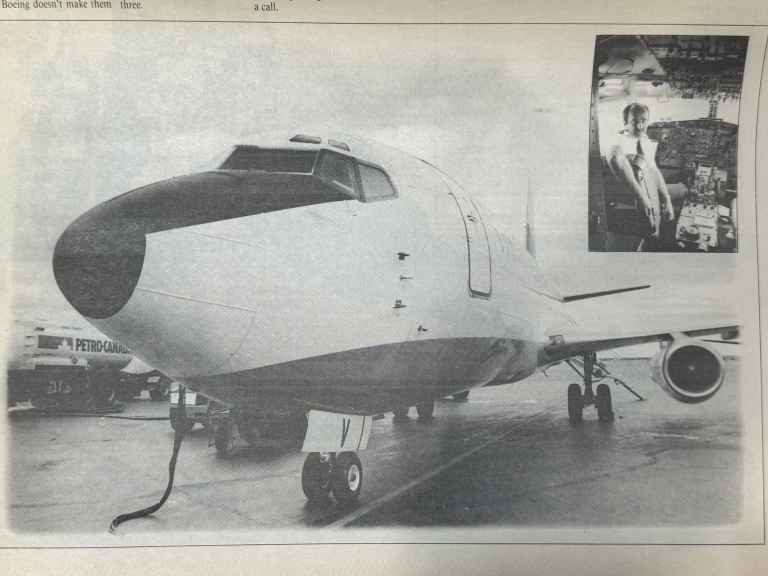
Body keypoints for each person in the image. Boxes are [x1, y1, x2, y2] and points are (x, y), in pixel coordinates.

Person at [607, 103, 674, 251]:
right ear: (625, 123)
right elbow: (615, 158)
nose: (640, 126)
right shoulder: (617, 142)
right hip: (632, 201)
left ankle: (654, 240)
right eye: (634, 122)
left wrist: (667, 199)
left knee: (681, 190)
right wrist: (643, 199)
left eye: (644, 120)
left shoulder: (646, 141)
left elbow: (654, 170)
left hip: (651, 191)